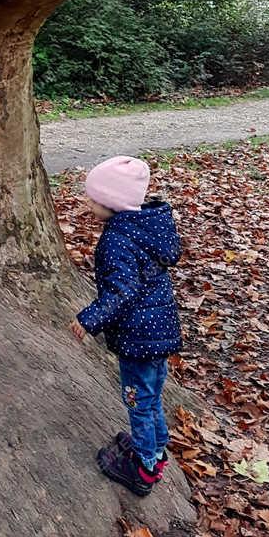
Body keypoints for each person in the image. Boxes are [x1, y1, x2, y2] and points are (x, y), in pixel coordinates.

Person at [68, 154, 182, 497]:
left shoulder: (117, 241)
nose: (86, 203)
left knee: (139, 402)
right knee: (151, 396)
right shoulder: (147, 229)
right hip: (159, 331)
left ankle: (145, 468)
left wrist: (88, 320)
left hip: (139, 338)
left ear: (112, 203)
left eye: (93, 199)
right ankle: (156, 448)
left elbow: (123, 291)